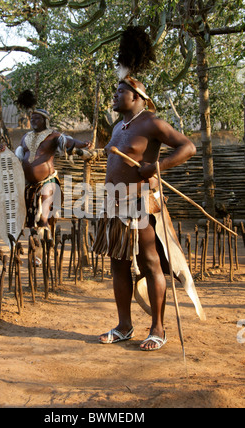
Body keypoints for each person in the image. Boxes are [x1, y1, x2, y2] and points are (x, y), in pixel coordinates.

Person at [93, 78, 205, 351]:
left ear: (137, 96)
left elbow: (188, 147)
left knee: (151, 263)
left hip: (141, 204)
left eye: (121, 92)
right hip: (115, 205)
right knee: (118, 264)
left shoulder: (152, 123)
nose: (115, 96)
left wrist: (156, 166)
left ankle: (158, 329)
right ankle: (124, 326)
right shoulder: (119, 126)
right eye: (116, 91)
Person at [14, 108, 92, 233]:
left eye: (37, 118)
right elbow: (18, 155)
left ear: (45, 121)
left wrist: (83, 144)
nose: (33, 120)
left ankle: (44, 230)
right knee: (26, 210)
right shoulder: (25, 137)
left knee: (44, 208)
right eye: (32, 118)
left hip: (47, 180)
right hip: (28, 183)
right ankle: (34, 236)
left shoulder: (54, 136)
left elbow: (69, 142)